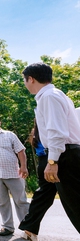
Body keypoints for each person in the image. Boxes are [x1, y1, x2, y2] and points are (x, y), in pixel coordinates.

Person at [22, 62, 80, 233]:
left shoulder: (48, 97)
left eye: (25, 81)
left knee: (75, 206)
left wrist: (53, 161)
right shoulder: (57, 94)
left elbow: (56, 131)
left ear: (31, 79)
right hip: (70, 152)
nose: (25, 85)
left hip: (65, 155)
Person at [18, 123, 57, 241]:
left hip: (44, 162)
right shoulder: (48, 129)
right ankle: (29, 229)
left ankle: (29, 229)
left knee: (43, 197)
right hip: (52, 161)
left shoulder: (37, 131)